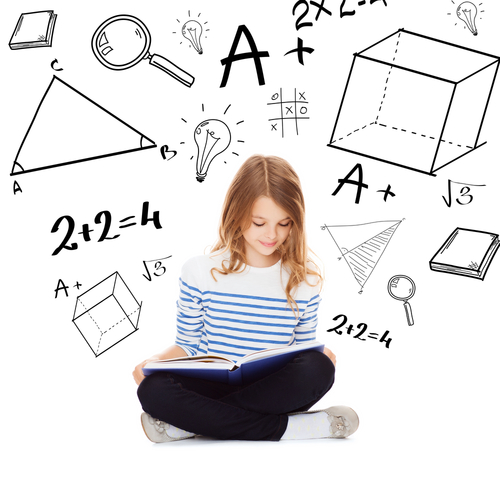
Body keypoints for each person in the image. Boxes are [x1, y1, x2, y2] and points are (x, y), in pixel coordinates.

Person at [133, 154, 359, 442]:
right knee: (153, 390)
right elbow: (187, 344)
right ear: (236, 214)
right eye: (259, 222)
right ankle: (291, 429)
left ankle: (189, 425)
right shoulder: (200, 271)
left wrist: (319, 356)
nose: (271, 235)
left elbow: (301, 352)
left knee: (319, 369)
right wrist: (153, 362)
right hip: (209, 385)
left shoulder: (305, 278)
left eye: (284, 223)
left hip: (270, 391)